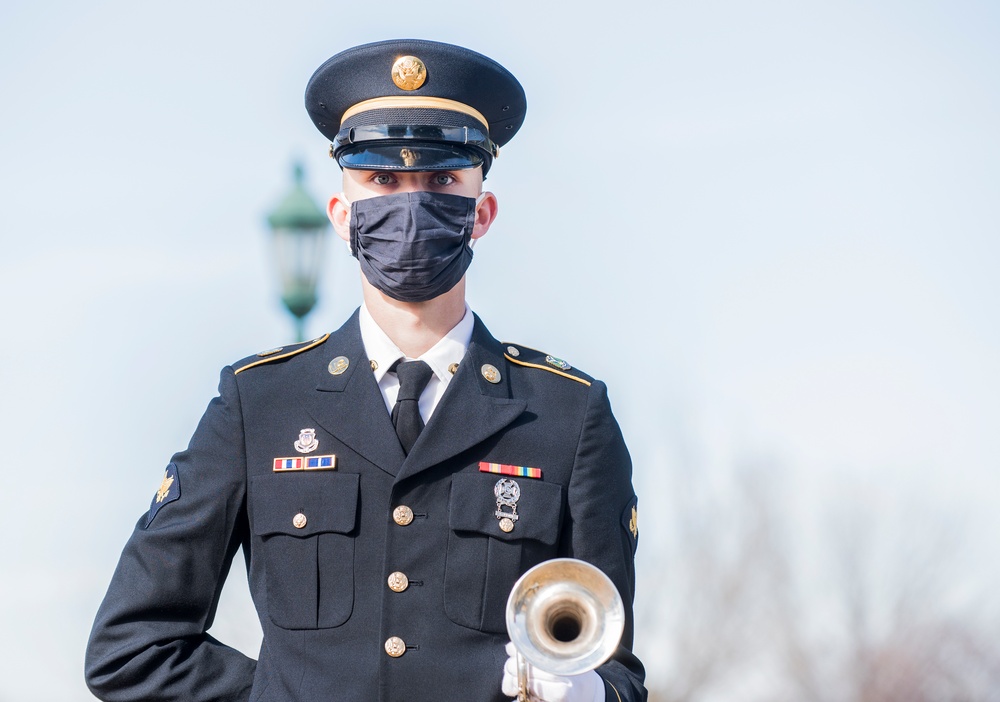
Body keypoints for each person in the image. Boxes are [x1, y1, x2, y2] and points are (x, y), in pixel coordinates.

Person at [85, 39, 646, 702]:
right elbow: (131, 648)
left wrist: (583, 693)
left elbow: (615, 670)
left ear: (482, 213)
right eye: (382, 181)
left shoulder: (567, 415)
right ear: (342, 216)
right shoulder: (259, 403)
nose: (409, 207)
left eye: (441, 181)